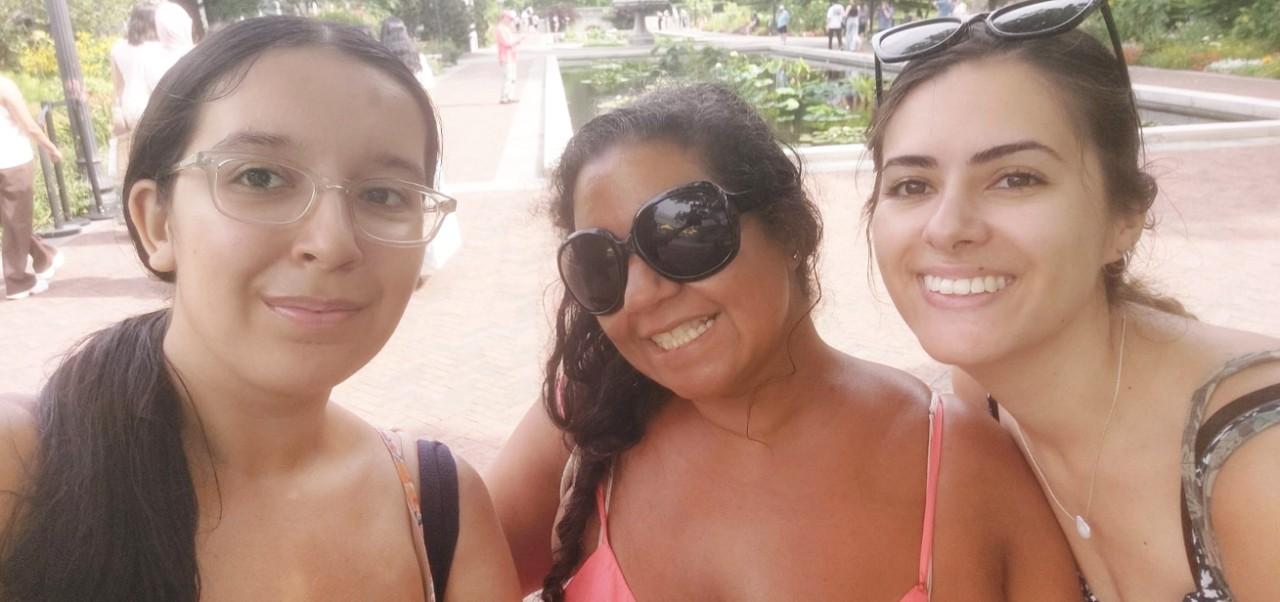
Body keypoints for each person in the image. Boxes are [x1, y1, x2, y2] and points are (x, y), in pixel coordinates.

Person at [487, 82, 1081, 601]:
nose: (640, 295)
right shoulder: (589, 423)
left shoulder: (962, 470)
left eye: (685, 232)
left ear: (791, 229)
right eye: (599, 261)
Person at [0, 17, 518, 601]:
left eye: (382, 195)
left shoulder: (440, 511)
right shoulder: (23, 471)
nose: (333, 243)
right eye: (261, 176)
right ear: (156, 222)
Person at [865, 7, 1280, 601]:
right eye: (912, 185)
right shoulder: (984, 400)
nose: (947, 226)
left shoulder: (1258, 462)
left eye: (1016, 178)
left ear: (1124, 218)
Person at [0, 75, 64, 301]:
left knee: (12, 220)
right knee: (16, 220)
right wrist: (51, 148)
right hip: (12, 161)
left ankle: (43, 257)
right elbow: (29, 125)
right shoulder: (4, 86)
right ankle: (17, 281)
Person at [496, 11, 524, 104]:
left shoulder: (507, 28)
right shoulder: (500, 29)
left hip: (511, 55)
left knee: (512, 77)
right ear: (504, 17)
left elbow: (510, 41)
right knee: (507, 77)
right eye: (509, 18)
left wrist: (516, 41)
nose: (510, 20)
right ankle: (504, 97)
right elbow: (506, 43)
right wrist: (518, 40)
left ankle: (510, 97)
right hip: (505, 55)